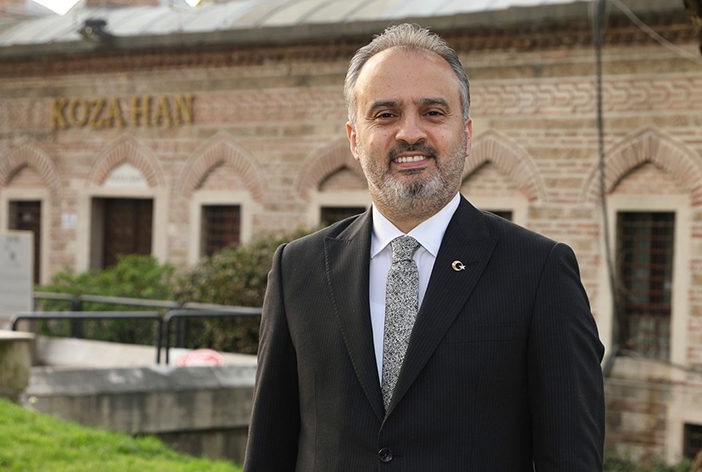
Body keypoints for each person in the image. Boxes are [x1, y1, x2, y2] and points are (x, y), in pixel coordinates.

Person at [244, 23, 605, 471]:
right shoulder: (297, 269)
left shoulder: (538, 272)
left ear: (466, 133)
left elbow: (571, 457)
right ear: (354, 139)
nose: (410, 133)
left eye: (433, 112)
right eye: (385, 114)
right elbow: (269, 449)